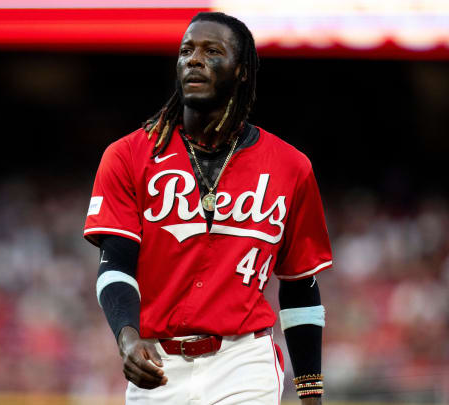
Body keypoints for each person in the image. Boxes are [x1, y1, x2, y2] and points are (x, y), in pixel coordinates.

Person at [83, 11, 331, 405]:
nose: (193, 59)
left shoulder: (291, 166)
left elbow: (300, 285)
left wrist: (311, 395)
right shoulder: (128, 155)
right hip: (158, 364)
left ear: (242, 71)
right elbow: (115, 264)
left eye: (211, 51)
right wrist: (126, 337)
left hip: (243, 361)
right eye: (186, 51)